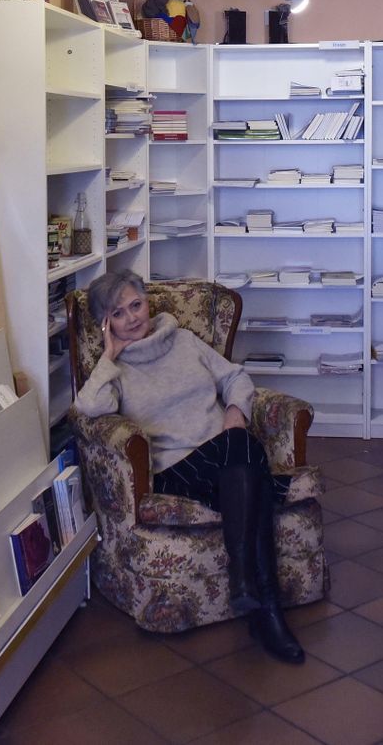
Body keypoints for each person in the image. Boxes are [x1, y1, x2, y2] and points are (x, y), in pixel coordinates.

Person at [75, 270, 304, 663]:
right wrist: (109, 355)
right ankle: (264, 603)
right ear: (105, 323)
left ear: (148, 303)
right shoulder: (114, 370)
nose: (132, 317)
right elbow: (88, 407)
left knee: (243, 456)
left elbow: (235, 378)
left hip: (227, 455)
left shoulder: (183, 340)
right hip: (176, 469)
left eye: (136, 305)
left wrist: (234, 411)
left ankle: (257, 598)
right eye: (118, 313)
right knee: (250, 461)